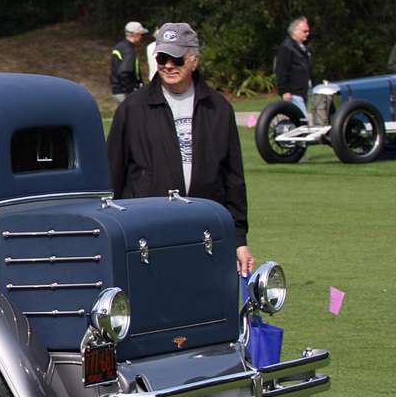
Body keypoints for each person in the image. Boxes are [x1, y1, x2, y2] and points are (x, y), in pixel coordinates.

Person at [108, 23, 253, 277]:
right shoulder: (132, 108)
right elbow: (112, 174)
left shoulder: (219, 108)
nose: (169, 65)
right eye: (163, 58)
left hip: (205, 233)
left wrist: (239, 238)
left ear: (194, 61)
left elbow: (233, 178)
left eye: (176, 58)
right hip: (146, 234)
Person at [274, 17, 314, 122]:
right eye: (304, 31)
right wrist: (284, 91)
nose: (307, 33)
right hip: (294, 92)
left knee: (298, 120)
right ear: (294, 31)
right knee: (302, 119)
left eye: (308, 31)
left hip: (303, 91)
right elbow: (281, 70)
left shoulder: (303, 48)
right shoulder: (287, 47)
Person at [110, 21, 147, 103]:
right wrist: (132, 90)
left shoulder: (120, 46)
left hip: (117, 90)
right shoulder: (129, 50)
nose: (142, 36)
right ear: (135, 34)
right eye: (141, 34)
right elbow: (124, 72)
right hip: (125, 93)